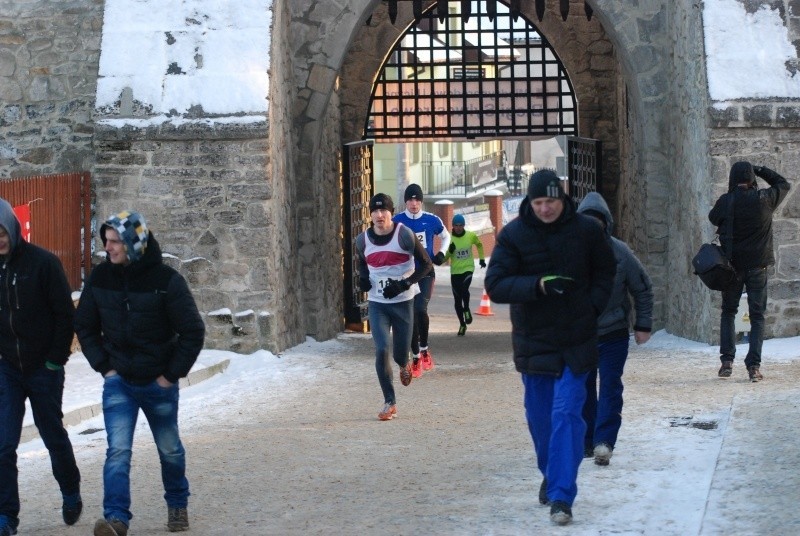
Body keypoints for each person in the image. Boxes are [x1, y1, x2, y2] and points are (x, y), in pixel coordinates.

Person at [484, 170, 615, 526]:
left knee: (567, 414)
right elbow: (496, 285)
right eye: (539, 202)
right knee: (541, 420)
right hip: (534, 341)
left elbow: (607, 271)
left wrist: (592, 307)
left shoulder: (588, 232)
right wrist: (537, 285)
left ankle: (561, 495)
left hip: (576, 339)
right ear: (530, 202)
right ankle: (551, 471)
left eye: (551, 201)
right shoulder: (513, 236)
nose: (545, 208)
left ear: (563, 200)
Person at [74, 211, 205, 536]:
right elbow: (85, 326)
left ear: (134, 243)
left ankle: (177, 505)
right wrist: (105, 367)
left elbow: (192, 331)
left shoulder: (166, 281)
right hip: (119, 383)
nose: (108, 248)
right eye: (106, 241)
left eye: (115, 241)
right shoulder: (100, 279)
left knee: (169, 448)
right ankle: (116, 519)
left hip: (158, 382)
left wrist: (170, 375)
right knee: (117, 451)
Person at [0, 198, 82, 536]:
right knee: (3, 444)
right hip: (7, 368)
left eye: (1, 232)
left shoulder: (43, 264)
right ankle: (6, 516)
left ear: (12, 228)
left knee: (52, 434)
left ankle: (70, 489)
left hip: (43, 367)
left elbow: (65, 316)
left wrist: (53, 361)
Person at [577, 192, 653, 467]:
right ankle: (587, 441)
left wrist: (643, 324)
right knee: (583, 389)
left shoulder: (621, 253)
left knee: (610, 386)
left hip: (613, 334)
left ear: (606, 224)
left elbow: (642, 287)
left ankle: (604, 442)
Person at [708, 162, 790, 382]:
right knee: (757, 317)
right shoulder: (765, 199)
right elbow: (783, 183)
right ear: (752, 178)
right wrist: (761, 169)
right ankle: (753, 367)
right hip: (757, 267)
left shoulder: (726, 201)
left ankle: (726, 362)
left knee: (728, 312)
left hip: (732, 268)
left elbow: (713, 218)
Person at [356, 193, 433, 421]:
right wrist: (362, 278)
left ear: (391, 212)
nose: (380, 215)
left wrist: (404, 284)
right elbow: (362, 262)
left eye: (384, 211)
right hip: (378, 303)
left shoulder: (404, 235)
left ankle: (405, 363)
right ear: (370, 214)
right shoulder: (362, 240)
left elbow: (427, 265)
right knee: (381, 349)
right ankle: (389, 402)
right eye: (375, 211)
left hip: (403, 302)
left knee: (400, 354)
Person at [393, 184, 449, 377]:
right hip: (406, 274)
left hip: (425, 272)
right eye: (410, 200)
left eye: (417, 200)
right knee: (409, 314)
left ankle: (424, 349)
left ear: (421, 201)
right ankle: (415, 356)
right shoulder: (397, 221)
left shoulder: (431, 220)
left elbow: (446, 236)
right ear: (405, 202)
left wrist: (442, 252)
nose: (414, 203)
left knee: (419, 309)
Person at [443, 213, 486, 336]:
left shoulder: (470, 236)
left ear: (464, 225)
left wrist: (482, 259)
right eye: (456, 225)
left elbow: (479, 245)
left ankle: (466, 308)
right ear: (452, 226)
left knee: (464, 288)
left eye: (461, 225)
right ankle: (462, 324)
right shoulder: (449, 239)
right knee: (457, 301)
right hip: (455, 271)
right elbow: (445, 258)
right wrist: (449, 252)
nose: (458, 227)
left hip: (468, 268)